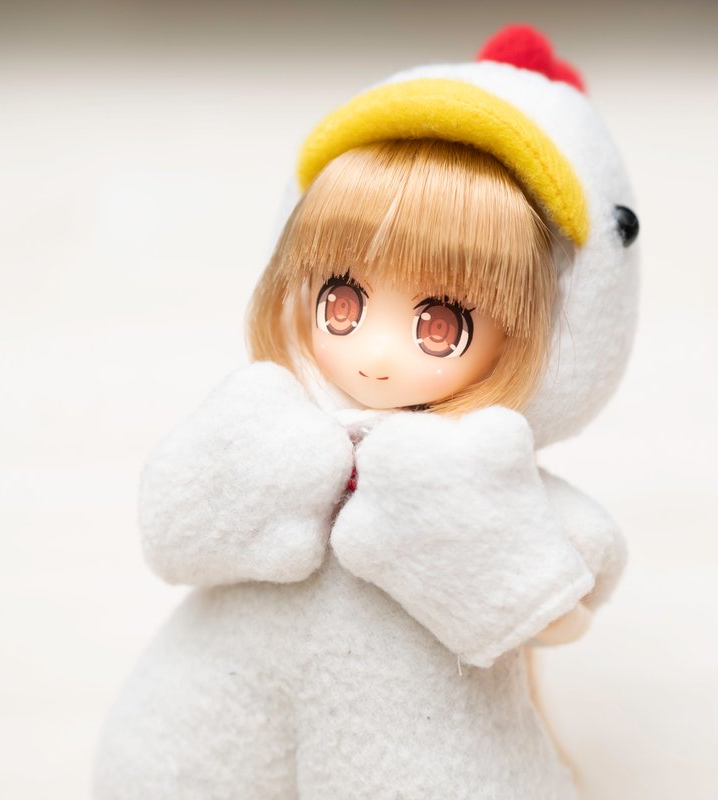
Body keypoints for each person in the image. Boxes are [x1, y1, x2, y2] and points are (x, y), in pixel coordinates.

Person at [94, 25, 640, 799]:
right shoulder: (265, 422)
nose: (376, 354)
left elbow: (567, 582)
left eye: (440, 323)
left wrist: (509, 576)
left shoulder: (486, 476)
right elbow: (173, 531)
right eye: (341, 302)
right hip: (216, 712)